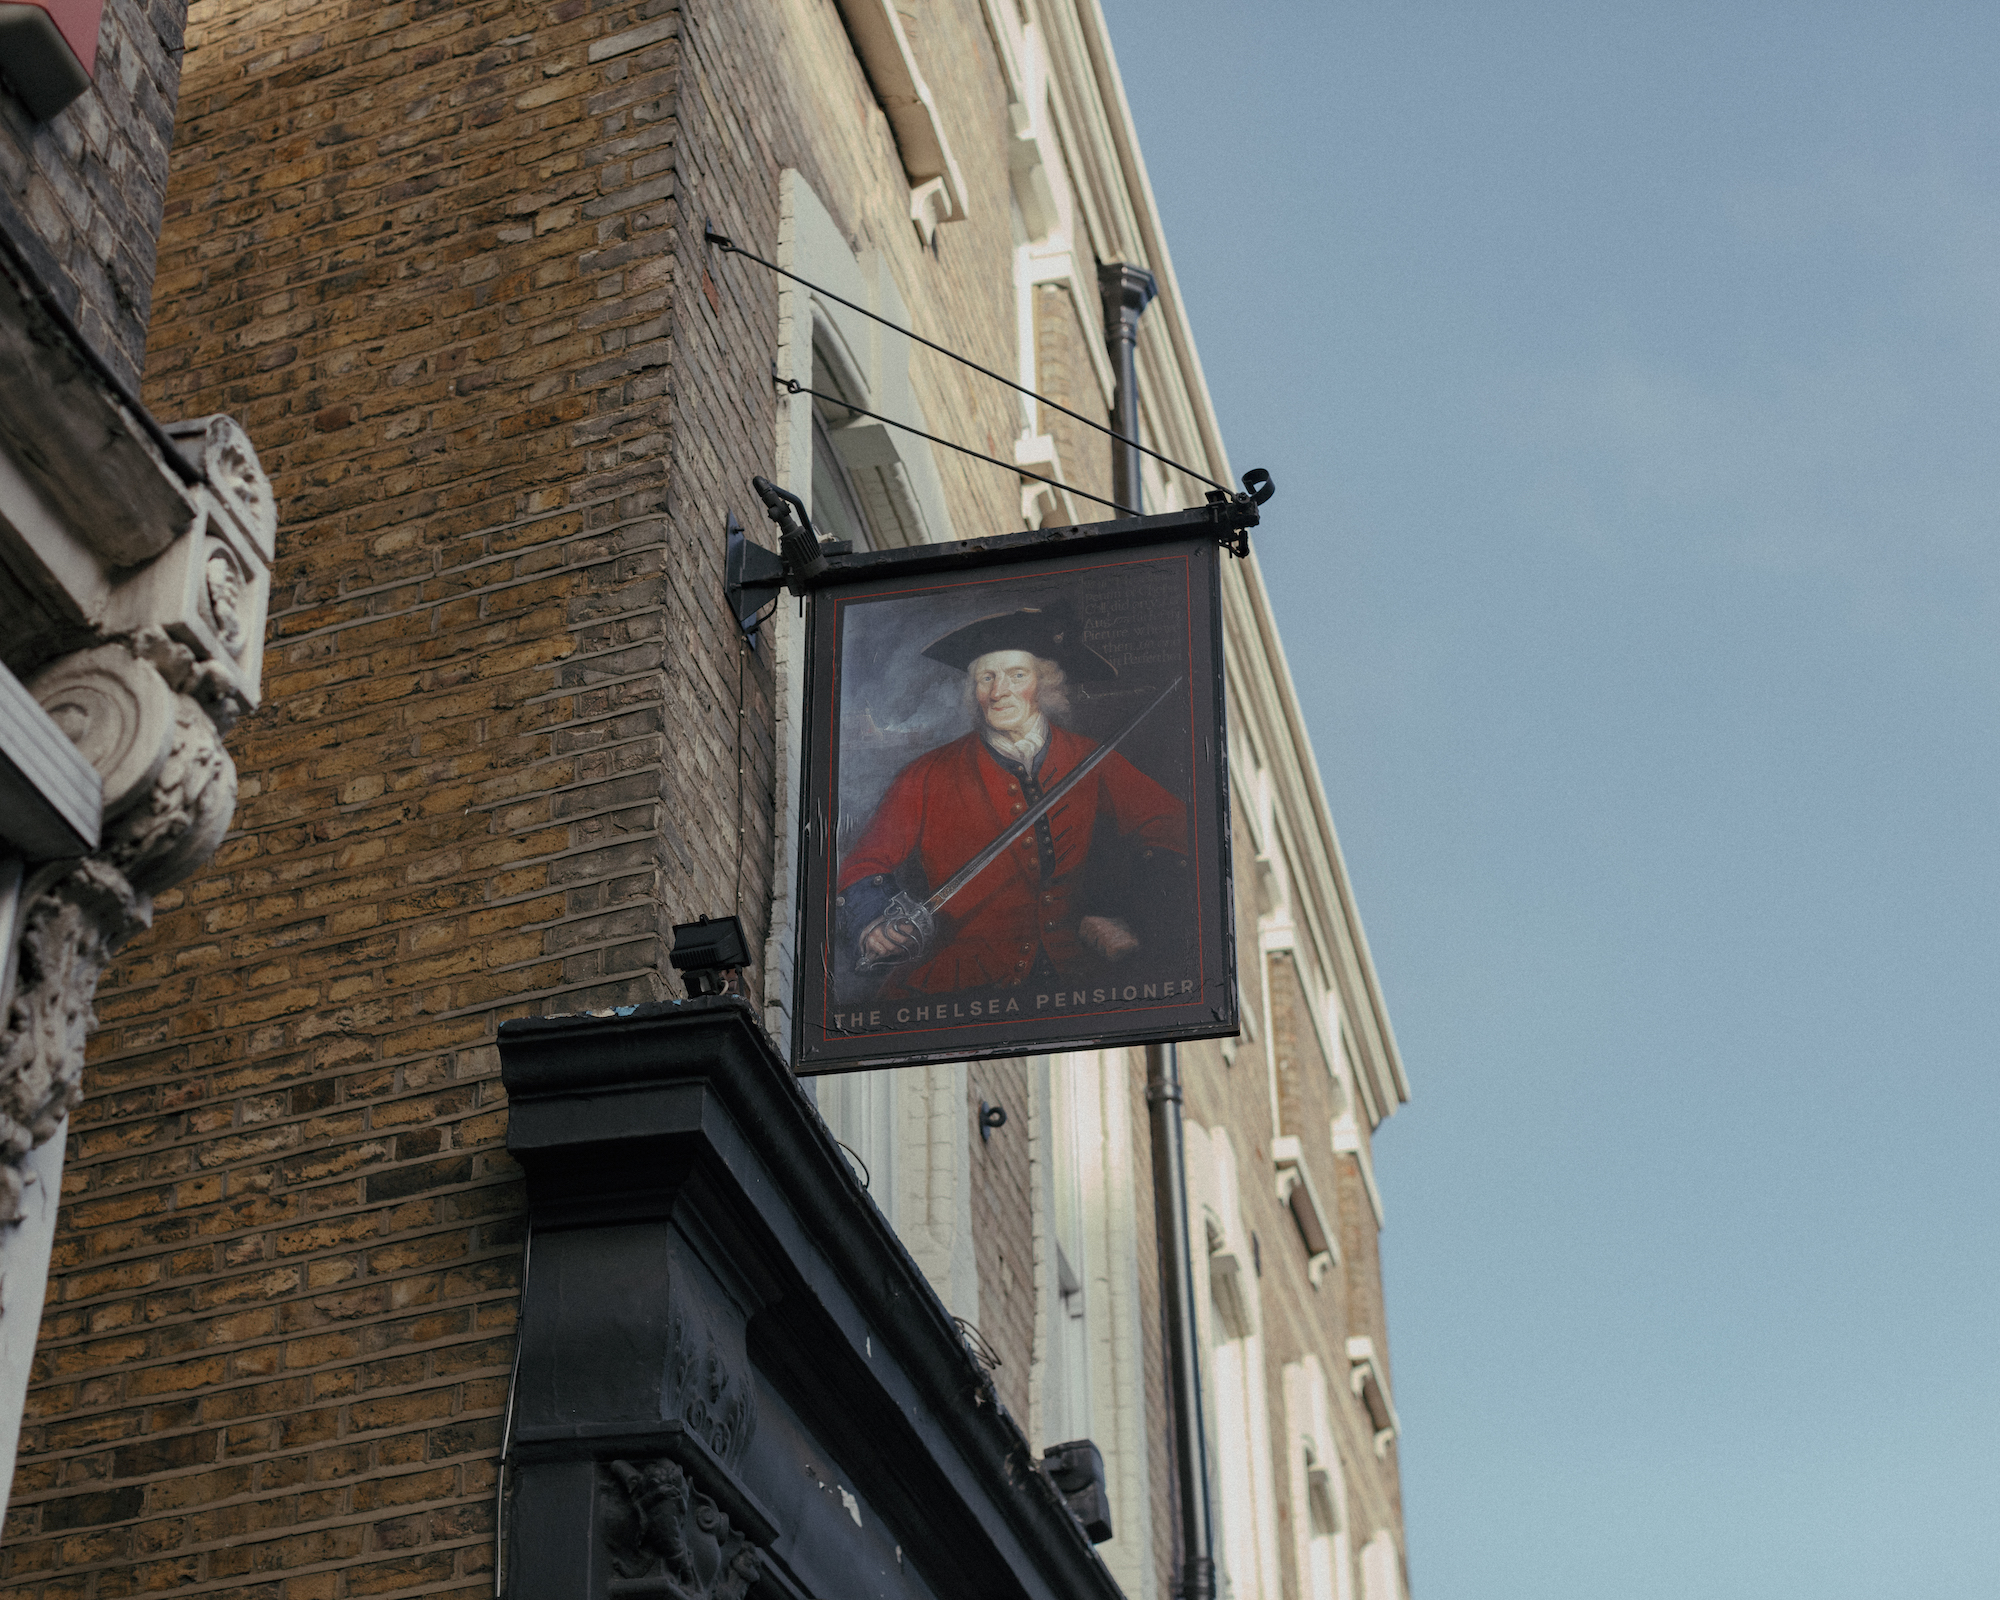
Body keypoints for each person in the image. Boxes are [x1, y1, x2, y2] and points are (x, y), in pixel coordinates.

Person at [836, 604, 1189, 998]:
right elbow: (864, 865)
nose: (999, 691)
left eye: (1016, 675)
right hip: (958, 984)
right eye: (986, 678)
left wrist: (1134, 920)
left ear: (1045, 684)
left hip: (1075, 977)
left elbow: (1172, 825)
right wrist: (875, 925)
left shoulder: (1091, 758)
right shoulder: (928, 773)